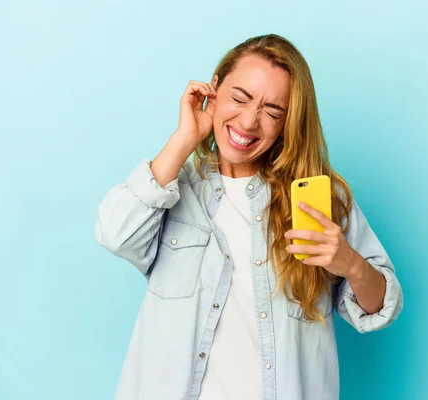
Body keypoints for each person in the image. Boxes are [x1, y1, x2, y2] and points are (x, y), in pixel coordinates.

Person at [95, 33, 403, 400]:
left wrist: (350, 263)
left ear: (289, 122)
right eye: (239, 98)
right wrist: (184, 138)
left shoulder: (320, 199)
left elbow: (381, 308)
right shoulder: (172, 185)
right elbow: (115, 234)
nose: (249, 121)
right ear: (215, 88)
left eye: (273, 112)